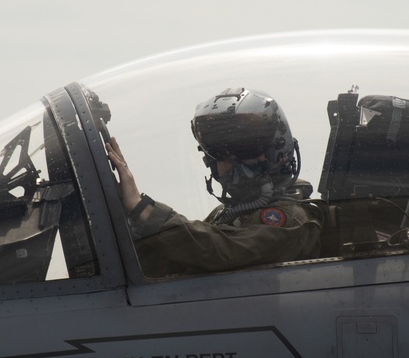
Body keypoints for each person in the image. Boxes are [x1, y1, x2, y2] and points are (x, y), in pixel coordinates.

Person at [105, 87, 336, 278]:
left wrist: (142, 208)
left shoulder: (293, 219)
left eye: (242, 149)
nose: (226, 163)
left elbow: (222, 253)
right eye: (217, 152)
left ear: (276, 150)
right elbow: (172, 259)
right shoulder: (226, 214)